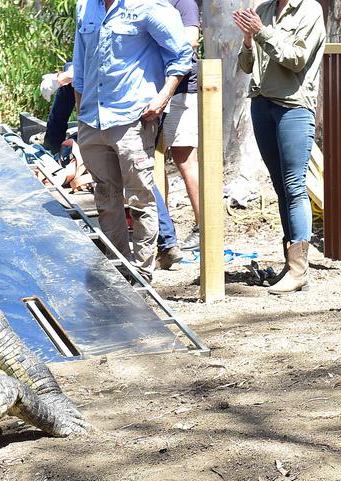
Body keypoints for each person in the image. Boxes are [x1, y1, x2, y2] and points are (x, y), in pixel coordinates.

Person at [71, 0, 192, 280]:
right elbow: (80, 64)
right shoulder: (85, 7)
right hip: (92, 118)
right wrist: (81, 111)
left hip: (131, 117)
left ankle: (142, 272)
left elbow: (182, 54)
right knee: (105, 196)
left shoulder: (150, 6)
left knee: (140, 196)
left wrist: (163, 97)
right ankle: (119, 269)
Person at [235, 0, 325, 293]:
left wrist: (261, 33)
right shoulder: (262, 10)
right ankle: (290, 263)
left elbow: (296, 58)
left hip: (293, 107)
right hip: (262, 104)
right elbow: (246, 65)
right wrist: (248, 41)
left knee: (294, 185)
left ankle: (300, 270)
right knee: (279, 186)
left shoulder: (310, 10)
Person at [161, 0, 202, 256]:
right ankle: (164, 232)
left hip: (182, 89)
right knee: (149, 162)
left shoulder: (183, 2)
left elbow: (191, 40)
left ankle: (203, 226)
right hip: (149, 89)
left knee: (184, 159)